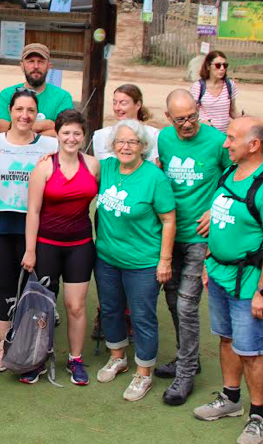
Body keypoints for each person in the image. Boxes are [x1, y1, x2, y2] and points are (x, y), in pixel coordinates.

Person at [193, 117, 263, 444]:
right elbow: (219, 218)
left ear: (254, 145)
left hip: (249, 284)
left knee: (251, 352)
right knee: (225, 339)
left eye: (232, 138)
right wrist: (209, 260)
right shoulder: (229, 173)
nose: (225, 143)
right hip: (219, 276)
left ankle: (258, 417)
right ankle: (231, 400)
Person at [155, 88, 233, 405]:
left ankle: (185, 374)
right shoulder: (164, 139)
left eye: (192, 116)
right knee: (173, 301)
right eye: (180, 119)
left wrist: (216, 206)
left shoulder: (217, 141)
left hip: (201, 237)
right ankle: (189, 358)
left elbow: (235, 176)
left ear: (199, 109)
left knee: (187, 305)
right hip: (171, 235)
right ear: (168, 117)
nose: (188, 124)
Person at [0, 87, 57, 371]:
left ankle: (34, 344)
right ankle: (4, 346)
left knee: (35, 288)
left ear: (37, 114)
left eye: (30, 110)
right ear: (10, 112)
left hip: (36, 231)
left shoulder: (48, 147)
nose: (24, 115)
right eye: (19, 109)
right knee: (3, 287)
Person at [93, 120, 176, 401]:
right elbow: (74, 164)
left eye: (132, 142)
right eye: (120, 141)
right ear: (112, 145)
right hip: (106, 257)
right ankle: (118, 357)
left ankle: (143, 373)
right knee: (110, 309)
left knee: (142, 317)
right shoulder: (105, 169)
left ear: (143, 146)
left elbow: (168, 220)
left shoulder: (155, 178)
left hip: (142, 262)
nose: (126, 147)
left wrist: (165, 260)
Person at [21, 109, 100, 385]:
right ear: (57, 134)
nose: (71, 137)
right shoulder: (43, 167)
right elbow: (33, 211)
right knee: (42, 306)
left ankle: (75, 359)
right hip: (46, 245)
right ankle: (37, 358)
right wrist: (30, 250)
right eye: (66, 132)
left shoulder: (93, 165)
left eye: (77, 133)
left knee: (75, 306)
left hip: (80, 245)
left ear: (83, 135)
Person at [0, 43, 74, 137]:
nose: (36, 66)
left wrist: (18, 130)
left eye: (41, 61)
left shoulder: (62, 97)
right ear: (22, 66)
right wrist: (44, 125)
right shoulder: (7, 94)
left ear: (49, 66)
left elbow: (65, 133)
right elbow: (1, 129)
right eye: (30, 61)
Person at [92, 84, 160, 163]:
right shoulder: (101, 135)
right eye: (114, 103)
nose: (117, 108)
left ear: (138, 105)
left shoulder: (154, 135)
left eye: (123, 103)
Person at [193, 51, 240, 133]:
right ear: (208, 66)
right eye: (218, 65)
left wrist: (245, 120)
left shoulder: (230, 85)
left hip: (224, 136)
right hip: (205, 134)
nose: (222, 68)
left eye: (225, 65)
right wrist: (202, 121)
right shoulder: (198, 87)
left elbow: (232, 111)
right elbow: (192, 113)